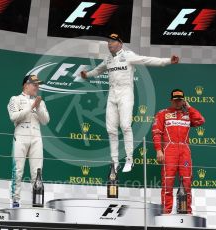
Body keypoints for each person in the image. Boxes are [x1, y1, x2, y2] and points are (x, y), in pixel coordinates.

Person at [81, 33, 179, 172]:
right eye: (109, 42)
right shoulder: (108, 59)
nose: (110, 44)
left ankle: (129, 159)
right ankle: (114, 161)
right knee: (111, 129)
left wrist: (168, 61)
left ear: (120, 44)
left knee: (125, 126)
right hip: (112, 94)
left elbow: (147, 60)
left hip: (126, 93)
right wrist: (87, 75)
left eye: (113, 41)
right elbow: (97, 70)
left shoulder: (128, 55)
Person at [152, 89, 205, 214]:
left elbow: (201, 120)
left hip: (184, 151)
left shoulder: (187, 115)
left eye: (180, 100)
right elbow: (156, 133)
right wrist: (159, 150)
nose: (177, 102)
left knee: (187, 182)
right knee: (167, 182)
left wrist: (189, 107)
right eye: (175, 100)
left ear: (184, 101)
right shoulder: (162, 113)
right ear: (171, 100)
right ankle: (166, 212)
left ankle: (187, 212)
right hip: (169, 151)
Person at [7, 74, 50, 208]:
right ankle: (15, 200)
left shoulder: (40, 102)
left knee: (37, 171)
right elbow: (14, 117)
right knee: (18, 170)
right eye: (34, 84)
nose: (37, 87)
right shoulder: (15, 99)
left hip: (36, 137)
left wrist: (37, 107)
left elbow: (45, 121)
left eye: (38, 84)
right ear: (26, 85)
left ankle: (36, 201)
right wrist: (31, 106)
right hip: (20, 135)